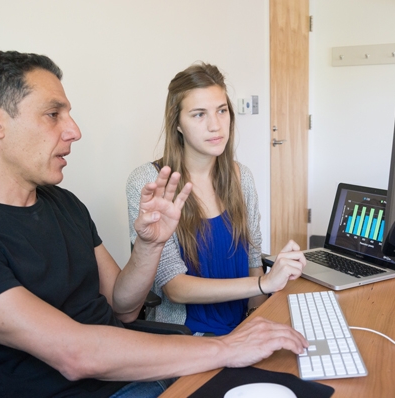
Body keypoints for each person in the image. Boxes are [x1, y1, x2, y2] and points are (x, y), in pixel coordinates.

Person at [0, 50, 308, 398]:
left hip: (146, 374)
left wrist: (149, 245)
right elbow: (77, 355)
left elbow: (124, 307)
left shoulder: (63, 204)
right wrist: (228, 348)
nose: (74, 131)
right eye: (53, 114)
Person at [126, 63, 305, 336]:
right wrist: (264, 285)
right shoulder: (149, 182)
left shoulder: (241, 176)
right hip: (189, 335)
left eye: (222, 111)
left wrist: (256, 319)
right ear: (177, 124)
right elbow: (175, 287)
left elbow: (254, 261)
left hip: (241, 328)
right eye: (199, 115)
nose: (215, 125)